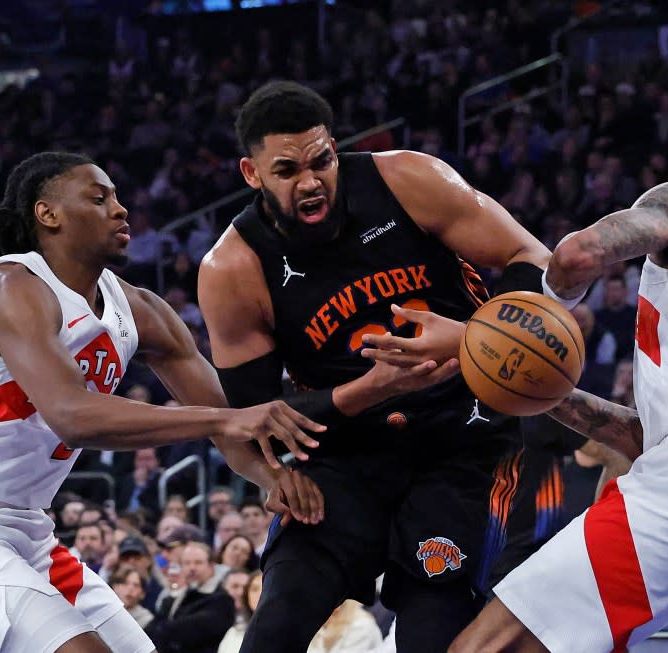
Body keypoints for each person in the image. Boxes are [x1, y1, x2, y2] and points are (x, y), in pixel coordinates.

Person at [0, 152, 325, 653]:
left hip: (29, 531)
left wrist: (273, 480)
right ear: (48, 214)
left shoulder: (139, 309)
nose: (120, 209)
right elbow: (74, 417)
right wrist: (230, 417)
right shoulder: (12, 286)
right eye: (98, 198)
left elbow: (228, 421)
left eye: (116, 197)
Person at [198, 81, 551, 653]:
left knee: (431, 634)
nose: (310, 182)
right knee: (275, 630)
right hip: (345, 455)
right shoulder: (232, 268)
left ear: (336, 148)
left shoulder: (408, 179)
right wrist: (364, 393)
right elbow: (252, 418)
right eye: (287, 170)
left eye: (321, 161)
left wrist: (471, 339)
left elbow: (534, 258)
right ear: (251, 173)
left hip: (461, 436)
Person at [443, 133, 668, 652]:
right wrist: (540, 388)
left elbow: (576, 254)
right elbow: (647, 436)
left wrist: (530, 316)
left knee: (489, 646)